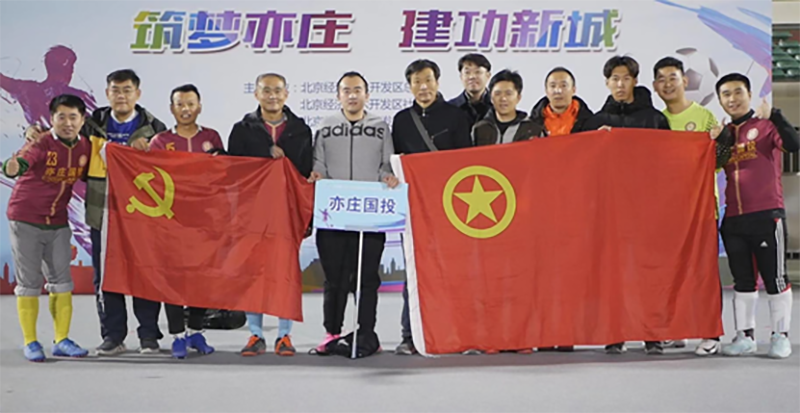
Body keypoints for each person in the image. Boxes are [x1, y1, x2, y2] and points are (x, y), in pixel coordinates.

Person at [25, 69, 167, 356]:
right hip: (102, 209)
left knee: (145, 272)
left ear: (137, 94)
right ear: (107, 93)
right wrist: (34, 133)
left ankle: (149, 336)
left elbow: (168, 169)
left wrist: (151, 151)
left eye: (127, 90)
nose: (121, 95)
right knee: (106, 275)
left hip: (142, 213)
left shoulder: (154, 127)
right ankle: (113, 336)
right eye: (116, 90)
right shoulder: (91, 124)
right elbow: (63, 139)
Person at [308, 71, 399, 356]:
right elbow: (318, 164)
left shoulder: (380, 127)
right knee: (334, 278)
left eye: (357, 90)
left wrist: (388, 178)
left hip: (369, 215)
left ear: (367, 95)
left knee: (367, 279)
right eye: (346, 90)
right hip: (333, 214)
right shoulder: (325, 126)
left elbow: (387, 164)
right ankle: (332, 333)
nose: (352, 95)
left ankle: (367, 332)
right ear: (338, 96)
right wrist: (317, 176)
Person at [584, 56, 670, 355]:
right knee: (612, 275)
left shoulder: (654, 119)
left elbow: (668, 160)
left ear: (635, 80)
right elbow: (581, 166)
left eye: (626, 78)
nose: (620, 84)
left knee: (648, 273)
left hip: (646, 210)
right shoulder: (594, 122)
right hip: (609, 211)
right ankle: (615, 332)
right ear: (606, 83)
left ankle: (652, 334)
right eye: (614, 79)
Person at [652, 56, 734, 356]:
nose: (667, 84)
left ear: (685, 81)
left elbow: (720, 159)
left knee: (703, 274)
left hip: (701, 210)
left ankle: (710, 333)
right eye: (661, 79)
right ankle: (677, 330)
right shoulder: (657, 121)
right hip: (668, 212)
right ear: (654, 86)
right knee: (671, 273)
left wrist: (721, 138)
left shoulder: (704, 116)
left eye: (672, 77)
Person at [228, 73, 312, 357]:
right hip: (252, 214)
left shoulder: (301, 130)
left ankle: (284, 335)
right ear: (256, 94)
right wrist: (266, 153)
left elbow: (304, 174)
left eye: (277, 90)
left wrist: (307, 218)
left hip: (286, 214)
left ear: (286, 94)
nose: (272, 96)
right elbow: (233, 170)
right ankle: (255, 334)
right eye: (266, 90)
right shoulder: (242, 130)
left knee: (284, 274)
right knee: (253, 273)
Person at [715, 73, 798, 359]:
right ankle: (744, 336)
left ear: (749, 94)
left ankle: (780, 336)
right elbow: (711, 164)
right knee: (742, 281)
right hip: (734, 219)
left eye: (738, 92)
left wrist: (775, 115)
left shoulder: (766, 125)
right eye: (726, 94)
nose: (732, 99)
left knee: (775, 279)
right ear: (720, 100)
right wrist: (719, 140)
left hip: (767, 215)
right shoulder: (725, 134)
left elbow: (794, 145)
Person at [392, 59, 472, 355]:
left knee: (455, 272)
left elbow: (465, 162)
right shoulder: (402, 120)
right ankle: (410, 335)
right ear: (410, 86)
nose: (423, 87)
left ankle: (459, 333)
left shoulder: (457, 116)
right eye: (417, 82)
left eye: (428, 80)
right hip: (415, 209)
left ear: (438, 82)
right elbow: (397, 162)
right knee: (414, 271)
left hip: (452, 207)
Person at [3, 94, 92, 361]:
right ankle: (30, 342)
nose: (67, 123)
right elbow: (21, 162)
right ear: (51, 118)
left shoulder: (85, 146)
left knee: (62, 282)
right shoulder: (40, 142)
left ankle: (62, 340)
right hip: (25, 218)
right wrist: (12, 167)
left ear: (82, 120)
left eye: (73, 117)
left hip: (58, 221)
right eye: (61, 117)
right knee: (29, 283)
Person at [149, 84, 221, 358]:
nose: (186, 109)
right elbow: (152, 180)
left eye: (190, 104)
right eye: (180, 104)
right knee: (174, 280)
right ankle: (177, 335)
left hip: (205, 220)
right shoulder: (160, 141)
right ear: (172, 109)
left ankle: (196, 332)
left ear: (199, 107)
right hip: (172, 221)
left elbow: (223, 174)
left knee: (202, 278)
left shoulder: (212, 137)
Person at [473, 69, 543, 146]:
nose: (503, 98)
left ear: (518, 97)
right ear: (491, 98)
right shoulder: (479, 129)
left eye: (508, 93)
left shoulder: (533, 130)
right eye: (498, 93)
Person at [529, 67, 594, 136]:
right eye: (553, 86)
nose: (558, 91)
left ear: (573, 90)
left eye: (563, 86)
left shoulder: (589, 121)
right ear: (546, 91)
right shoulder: (532, 124)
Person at [448, 53, 493, 131]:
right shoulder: (450, 108)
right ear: (461, 77)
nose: (472, 77)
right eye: (467, 72)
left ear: (488, 76)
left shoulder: (497, 106)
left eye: (478, 72)